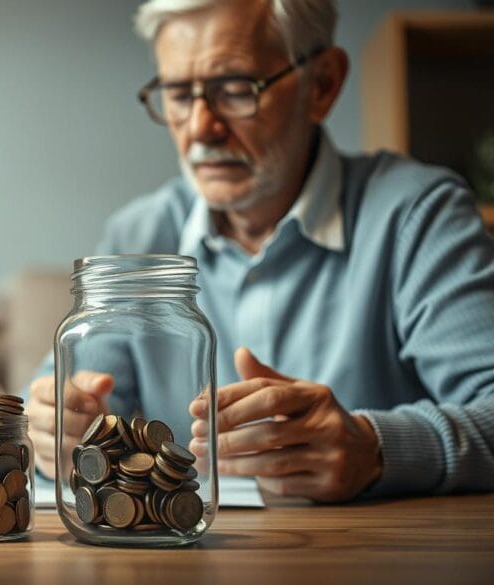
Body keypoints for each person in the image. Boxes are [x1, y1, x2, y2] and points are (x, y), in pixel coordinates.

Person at [26, 0, 494, 502]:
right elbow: (63, 416)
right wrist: (57, 433)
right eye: (179, 95)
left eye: (235, 90)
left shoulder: (418, 216)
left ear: (323, 85)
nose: (201, 128)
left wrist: (376, 448)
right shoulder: (138, 235)